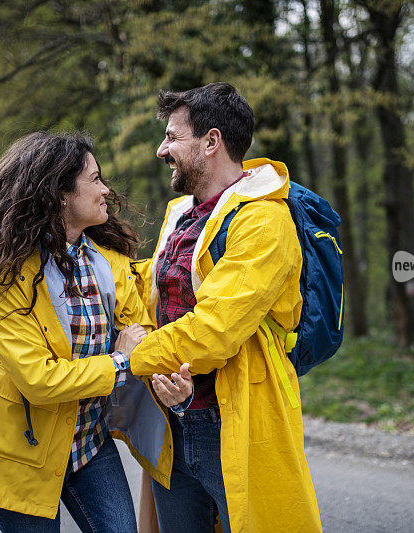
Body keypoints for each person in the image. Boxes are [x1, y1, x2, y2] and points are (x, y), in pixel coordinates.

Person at [0, 131, 189, 532]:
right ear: (59, 193)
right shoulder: (1, 279)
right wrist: (121, 361)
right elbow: (39, 380)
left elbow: (137, 327)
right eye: (94, 179)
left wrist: (162, 374)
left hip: (88, 444)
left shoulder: (108, 262)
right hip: (18, 450)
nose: (106, 189)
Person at [129, 83, 323, 532]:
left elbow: (214, 330)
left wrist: (129, 359)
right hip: (172, 416)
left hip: (233, 417)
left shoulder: (263, 221)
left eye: (173, 137)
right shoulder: (180, 213)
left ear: (211, 142)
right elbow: (150, 293)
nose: (162, 150)